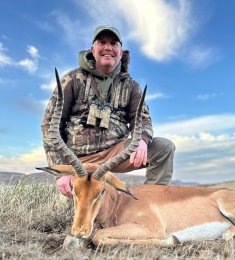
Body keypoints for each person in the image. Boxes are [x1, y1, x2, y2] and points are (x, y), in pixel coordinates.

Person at [42, 25, 175, 197]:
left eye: (113, 43)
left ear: (121, 52)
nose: (108, 47)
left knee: (164, 147)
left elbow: (142, 119)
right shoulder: (72, 79)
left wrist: (142, 140)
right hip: (77, 158)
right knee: (88, 211)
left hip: (116, 154)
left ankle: (150, 201)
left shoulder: (131, 86)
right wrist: (61, 171)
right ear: (93, 49)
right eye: (102, 42)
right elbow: (49, 124)